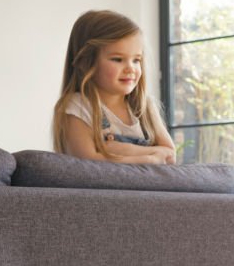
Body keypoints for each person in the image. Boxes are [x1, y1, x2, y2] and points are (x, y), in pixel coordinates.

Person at [53, 10, 176, 164]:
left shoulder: (145, 107)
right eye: (118, 59)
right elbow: (88, 164)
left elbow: (170, 155)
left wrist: (118, 149)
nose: (130, 68)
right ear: (86, 62)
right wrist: (149, 158)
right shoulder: (78, 106)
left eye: (136, 60)